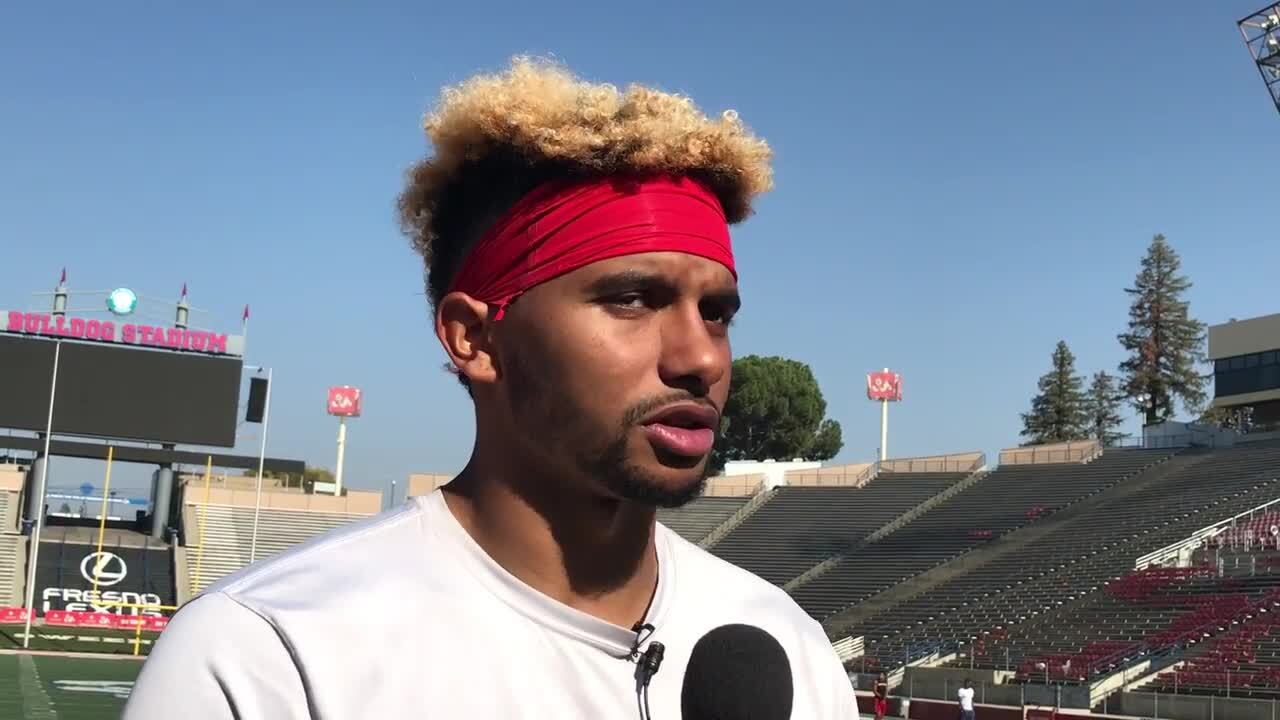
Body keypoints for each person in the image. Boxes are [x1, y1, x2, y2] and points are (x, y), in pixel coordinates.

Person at [123, 57, 857, 719]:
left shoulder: (789, 645)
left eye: (717, 312)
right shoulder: (272, 656)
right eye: (632, 300)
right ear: (473, 337)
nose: (701, 357)